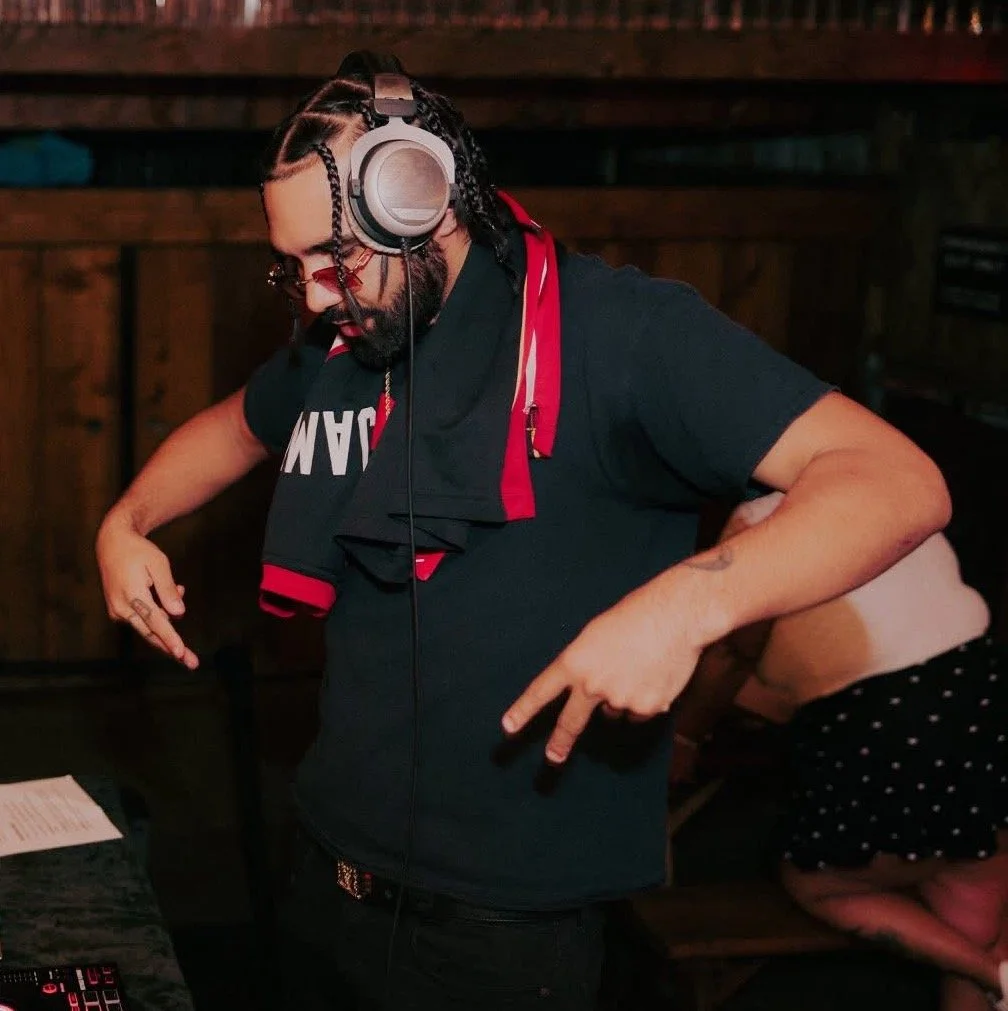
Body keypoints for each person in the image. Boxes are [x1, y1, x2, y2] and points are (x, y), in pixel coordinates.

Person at [95, 50, 952, 1010]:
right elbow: (235, 427)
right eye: (292, 269)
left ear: (423, 200)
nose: (317, 296)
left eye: (332, 262)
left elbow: (897, 482)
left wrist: (687, 604)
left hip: (502, 939)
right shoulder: (348, 346)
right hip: (325, 879)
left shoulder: (624, 335)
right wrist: (127, 522)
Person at [670, 491, 1008, 1011]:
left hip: (881, 723)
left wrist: (686, 735)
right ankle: (995, 970)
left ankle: (989, 971)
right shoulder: (899, 488)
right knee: (969, 903)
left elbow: (734, 655)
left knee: (817, 882)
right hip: (982, 692)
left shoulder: (761, 520)